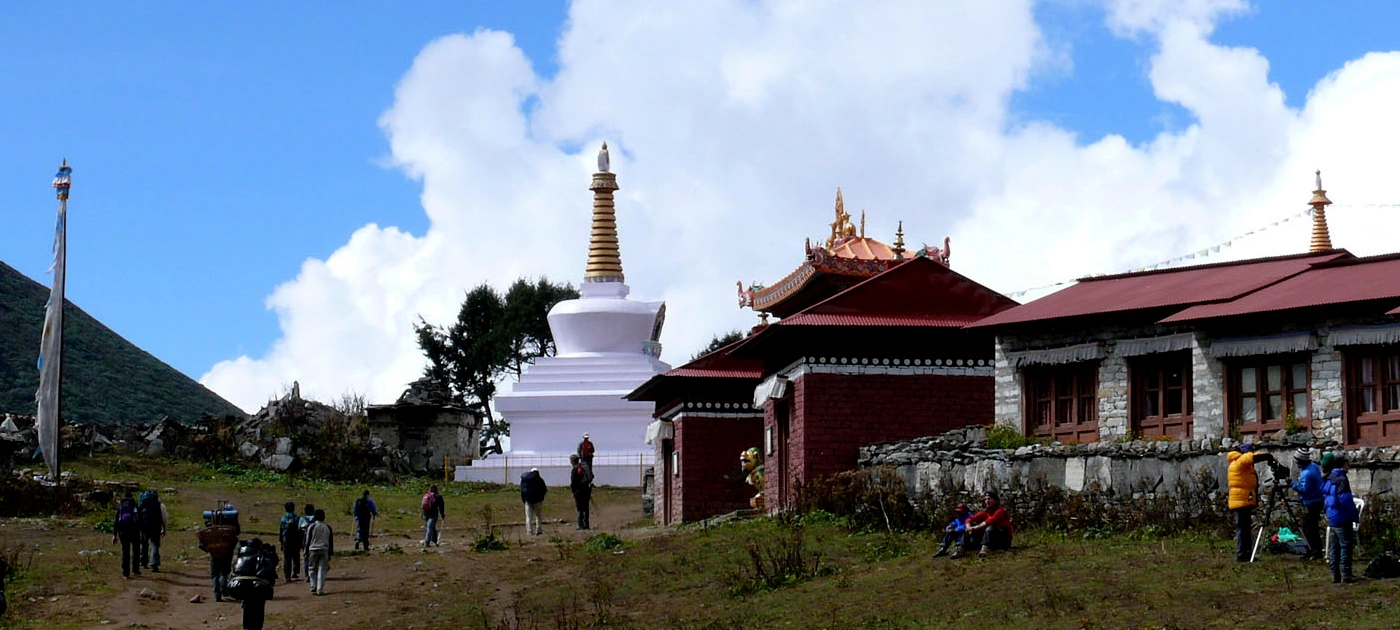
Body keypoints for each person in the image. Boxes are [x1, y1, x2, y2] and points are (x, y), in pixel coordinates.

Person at [1227, 443, 1274, 562]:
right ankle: (1242, 554)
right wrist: (1269, 456)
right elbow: (1251, 457)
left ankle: (1246, 554)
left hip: (1242, 500)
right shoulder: (1240, 461)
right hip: (1240, 501)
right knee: (1243, 529)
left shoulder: (1240, 463)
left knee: (1245, 529)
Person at [1322, 452, 1360, 583]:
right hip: (1342, 516)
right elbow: (1345, 500)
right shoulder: (1342, 480)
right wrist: (1353, 515)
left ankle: (1335, 574)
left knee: (1334, 547)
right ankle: (1346, 573)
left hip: (1332, 516)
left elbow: (1326, 496)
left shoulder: (1329, 478)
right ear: (1343, 465)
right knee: (1345, 546)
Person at [1289, 448, 1325, 561]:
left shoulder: (1307, 473)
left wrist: (1291, 483)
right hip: (1317, 500)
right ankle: (1314, 549)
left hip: (1311, 501)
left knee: (1309, 528)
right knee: (1312, 527)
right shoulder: (1313, 466)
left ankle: (1314, 550)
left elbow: (1304, 489)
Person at [964, 492, 1013, 558]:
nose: (987, 501)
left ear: (996, 500)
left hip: (1004, 540)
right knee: (970, 527)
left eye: (989, 499)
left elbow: (991, 521)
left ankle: (984, 549)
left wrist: (976, 527)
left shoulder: (1001, 511)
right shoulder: (987, 512)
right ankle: (961, 548)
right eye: (985, 499)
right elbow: (970, 519)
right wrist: (969, 526)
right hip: (993, 539)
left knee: (990, 528)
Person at [111, 492, 142, 578]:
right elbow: (140, 522)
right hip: (135, 532)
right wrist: (142, 533)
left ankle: (125, 572)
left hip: (123, 532)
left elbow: (116, 522)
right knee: (136, 551)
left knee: (125, 551)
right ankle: (135, 570)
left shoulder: (121, 508)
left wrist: (114, 535)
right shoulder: (136, 508)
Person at [136, 490, 167, 573]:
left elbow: (138, 516)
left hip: (144, 526)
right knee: (155, 544)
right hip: (156, 527)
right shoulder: (159, 505)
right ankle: (154, 563)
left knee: (143, 543)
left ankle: (143, 561)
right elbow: (164, 517)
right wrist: (164, 529)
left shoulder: (142, 505)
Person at [305, 509, 333, 596]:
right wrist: (330, 553)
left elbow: (307, 541)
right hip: (324, 550)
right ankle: (319, 589)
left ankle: (313, 585)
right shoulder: (328, 527)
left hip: (313, 550)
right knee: (322, 569)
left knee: (312, 568)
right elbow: (331, 541)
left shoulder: (312, 527)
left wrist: (306, 552)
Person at [278, 501, 303, 582]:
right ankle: (295, 572)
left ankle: (287, 576)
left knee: (286, 558)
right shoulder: (297, 518)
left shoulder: (283, 518)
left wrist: (281, 542)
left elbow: (281, 531)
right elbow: (300, 530)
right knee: (296, 556)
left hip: (286, 541)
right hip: (295, 540)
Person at [569, 454, 594, 530]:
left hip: (579, 491)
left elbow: (573, 483)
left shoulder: (574, 470)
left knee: (580, 508)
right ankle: (587, 525)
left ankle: (580, 525)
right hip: (587, 489)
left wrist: (573, 492)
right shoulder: (585, 467)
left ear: (572, 461)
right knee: (586, 507)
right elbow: (592, 476)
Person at [520, 468, 547, 536]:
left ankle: (529, 532)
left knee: (528, 517)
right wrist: (541, 499)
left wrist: (524, 499)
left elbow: (522, 490)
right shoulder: (540, 480)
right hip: (537, 500)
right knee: (538, 515)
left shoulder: (525, 480)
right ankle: (538, 530)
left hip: (528, 500)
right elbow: (544, 490)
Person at [299, 503, 316, 582]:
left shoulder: (302, 520)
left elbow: (298, 531)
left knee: (306, 559)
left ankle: (307, 575)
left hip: (305, 542)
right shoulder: (316, 520)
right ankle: (314, 574)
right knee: (315, 558)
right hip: (315, 541)